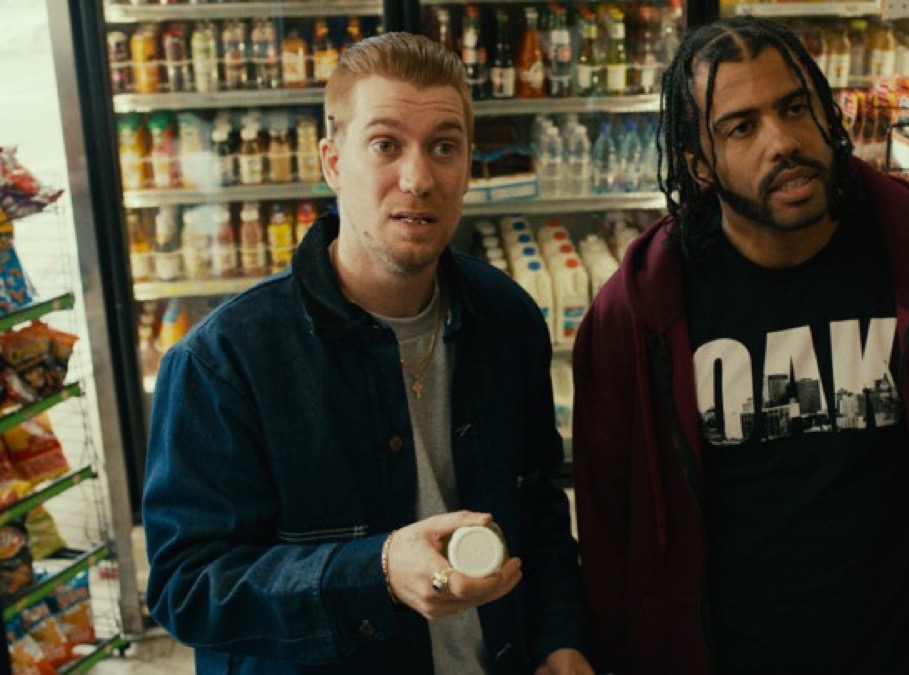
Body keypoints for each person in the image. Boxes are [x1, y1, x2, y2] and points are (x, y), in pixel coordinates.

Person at [571, 16, 909, 675]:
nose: (782, 142)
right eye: (741, 126)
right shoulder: (640, 313)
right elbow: (613, 526)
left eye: (795, 107)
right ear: (700, 161)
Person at [143, 32, 591, 675]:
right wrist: (375, 572)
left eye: (444, 147)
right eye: (385, 145)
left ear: (467, 166)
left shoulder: (507, 318)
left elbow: (539, 508)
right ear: (332, 161)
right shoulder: (225, 360)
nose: (419, 178)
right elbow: (187, 587)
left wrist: (560, 639)